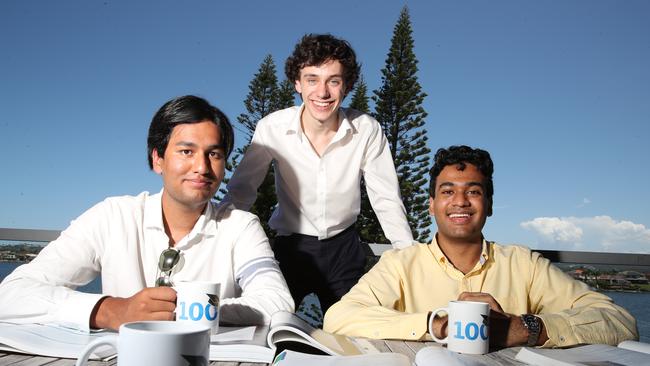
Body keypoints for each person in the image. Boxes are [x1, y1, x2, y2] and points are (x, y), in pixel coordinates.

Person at [0, 95, 294, 332]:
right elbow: (10, 295)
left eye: (214, 154)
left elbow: (277, 302)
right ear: (157, 159)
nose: (202, 167)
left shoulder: (241, 226)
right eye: (186, 151)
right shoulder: (112, 216)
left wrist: (193, 310)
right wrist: (109, 310)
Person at [323, 145, 638, 348]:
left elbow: (619, 321)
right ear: (431, 205)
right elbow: (339, 316)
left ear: (489, 205)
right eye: (447, 191)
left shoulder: (524, 264)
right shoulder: (399, 264)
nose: (460, 201)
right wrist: (437, 325)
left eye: (473, 191)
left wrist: (525, 328)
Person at [221, 34, 414, 313]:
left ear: (346, 86)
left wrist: (408, 255)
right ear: (297, 83)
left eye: (333, 81)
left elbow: (385, 197)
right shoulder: (271, 128)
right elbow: (242, 191)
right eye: (312, 79)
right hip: (290, 250)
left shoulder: (368, 129)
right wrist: (216, 240)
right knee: (273, 326)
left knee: (351, 336)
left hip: (344, 251)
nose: (322, 93)